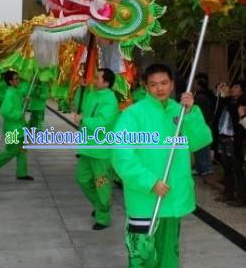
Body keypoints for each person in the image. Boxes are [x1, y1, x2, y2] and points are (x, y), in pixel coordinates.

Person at [113, 63, 212, 268]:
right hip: (145, 200)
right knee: (142, 255)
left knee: (169, 255)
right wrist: (150, 182)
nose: (160, 88)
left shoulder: (182, 111)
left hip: (173, 199)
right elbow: (122, 155)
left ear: (172, 84)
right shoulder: (133, 114)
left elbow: (200, 140)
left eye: (164, 83)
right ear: (146, 87)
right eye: (153, 84)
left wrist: (192, 113)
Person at [74, 68, 119, 230]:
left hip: (101, 153)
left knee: (102, 185)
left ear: (106, 82)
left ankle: (103, 217)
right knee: (82, 179)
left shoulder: (110, 100)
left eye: (97, 78)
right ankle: (100, 206)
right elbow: (78, 106)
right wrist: (82, 89)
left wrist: (84, 120)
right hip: (87, 149)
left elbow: (103, 123)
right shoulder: (92, 94)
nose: (94, 80)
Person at [0, 70, 33, 180]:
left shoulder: (15, 92)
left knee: (22, 150)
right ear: (10, 81)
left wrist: (25, 103)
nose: (18, 80)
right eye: (16, 79)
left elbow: (19, 108)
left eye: (18, 78)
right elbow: (5, 111)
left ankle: (21, 173)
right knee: (12, 150)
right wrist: (20, 114)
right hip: (13, 128)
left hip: (20, 127)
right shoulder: (9, 94)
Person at [214, 80, 246, 206]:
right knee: (226, 167)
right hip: (222, 137)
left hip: (234, 139)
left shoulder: (241, 103)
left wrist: (227, 97)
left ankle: (241, 197)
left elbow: (236, 116)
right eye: (233, 86)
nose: (233, 88)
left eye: (237, 87)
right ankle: (228, 193)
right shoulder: (227, 101)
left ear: (242, 90)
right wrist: (222, 94)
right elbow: (216, 111)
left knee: (237, 168)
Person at [192, 73, 215, 179]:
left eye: (194, 82)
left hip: (202, 124)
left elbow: (201, 113)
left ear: (198, 83)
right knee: (199, 145)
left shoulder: (201, 97)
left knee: (202, 146)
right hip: (203, 123)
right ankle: (201, 167)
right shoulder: (205, 94)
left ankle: (205, 168)